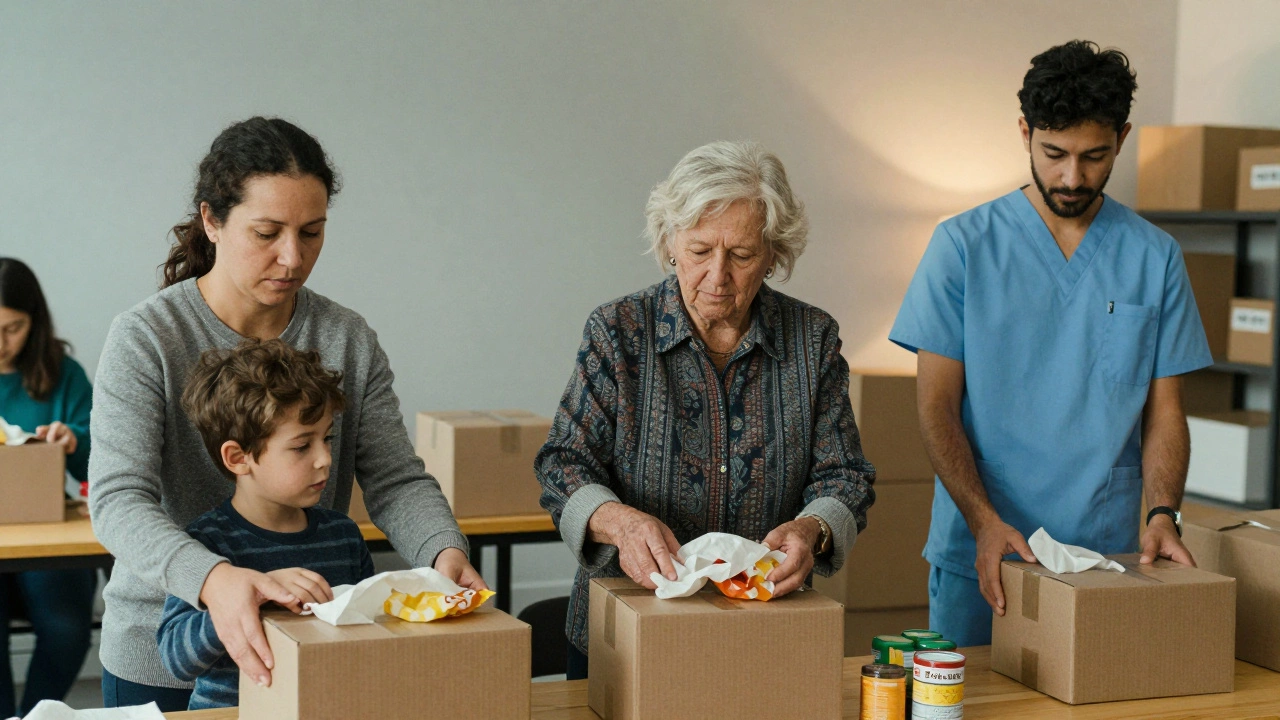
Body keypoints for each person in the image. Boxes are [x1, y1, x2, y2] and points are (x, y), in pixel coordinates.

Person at [89, 117, 484, 711]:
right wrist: (215, 581)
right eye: (267, 232)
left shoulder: (346, 337)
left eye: (312, 232)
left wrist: (443, 554)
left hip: (307, 652)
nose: (292, 257)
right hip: (166, 658)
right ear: (212, 222)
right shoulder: (147, 336)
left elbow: (396, 478)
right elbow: (118, 499)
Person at [889, 40, 1211, 647]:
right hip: (983, 549)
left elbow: (1166, 411)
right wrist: (984, 521)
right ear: (1024, 132)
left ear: (1122, 137)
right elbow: (936, 408)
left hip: (1105, 556)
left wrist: (1162, 513)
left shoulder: (1155, 257)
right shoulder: (962, 246)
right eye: (1054, 153)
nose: (1072, 176)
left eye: (1094, 156)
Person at [536, 140, 876, 680]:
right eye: (699, 251)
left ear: (774, 254)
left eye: (741, 255)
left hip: (765, 632)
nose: (718, 276)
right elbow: (563, 465)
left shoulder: (812, 339)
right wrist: (619, 523)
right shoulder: (619, 331)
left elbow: (845, 474)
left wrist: (814, 527)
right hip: (633, 629)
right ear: (670, 243)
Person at [157, 339, 374, 709]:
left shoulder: (344, 535)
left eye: (327, 439)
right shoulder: (205, 544)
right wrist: (250, 600)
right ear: (239, 458)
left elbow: (369, 633)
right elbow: (176, 659)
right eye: (302, 446)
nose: (325, 459)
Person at [0, 258, 96, 717]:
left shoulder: (64, 373)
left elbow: (106, 460)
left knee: (66, 626)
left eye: (13, 328)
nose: (0, 344)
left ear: (34, 322)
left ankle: (36, 715)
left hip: (47, 535)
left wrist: (74, 439)